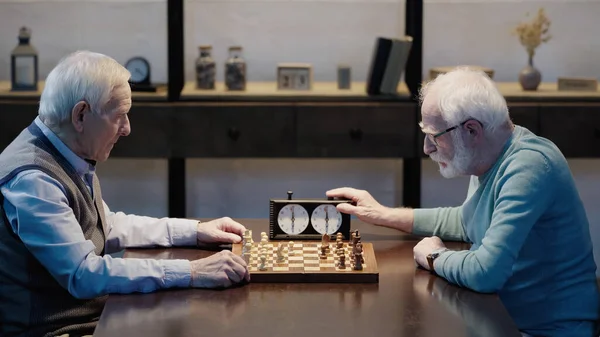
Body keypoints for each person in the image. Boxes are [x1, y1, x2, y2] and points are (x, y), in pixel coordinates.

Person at [327, 68, 600, 337]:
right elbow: (468, 220)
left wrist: (435, 257)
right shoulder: (490, 157)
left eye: (434, 136)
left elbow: (485, 272)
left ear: (471, 130)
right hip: (504, 320)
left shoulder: (529, 166)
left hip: (546, 331)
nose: (427, 148)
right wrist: (383, 214)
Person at [0, 51, 249, 337]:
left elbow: (108, 224)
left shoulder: (63, 152)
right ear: (81, 115)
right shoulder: (34, 180)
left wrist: (195, 230)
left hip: (90, 321)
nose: (127, 129)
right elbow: (83, 274)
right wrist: (192, 272)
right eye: (120, 116)